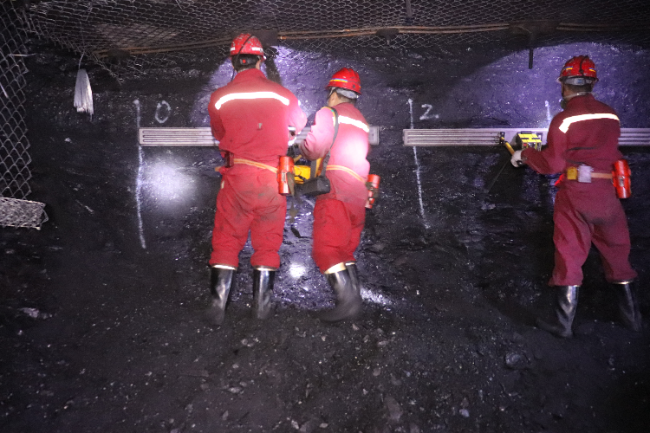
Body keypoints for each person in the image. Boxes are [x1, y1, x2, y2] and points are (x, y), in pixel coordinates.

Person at [511, 55, 642, 337]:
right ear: (592, 83)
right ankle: (633, 320)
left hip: (577, 195)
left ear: (564, 85)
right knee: (618, 252)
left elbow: (553, 164)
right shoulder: (611, 115)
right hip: (608, 195)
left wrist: (525, 154)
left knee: (569, 254)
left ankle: (563, 323)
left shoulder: (564, 120)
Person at [206, 33, 307, 325]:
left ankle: (217, 306)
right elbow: (299, 124)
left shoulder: (219, 97)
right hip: (272, 178)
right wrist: (279, 137)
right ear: (260, 61)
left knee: (227, 238)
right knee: (267, 241)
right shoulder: (282, 95)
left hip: (238, 177)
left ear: (233, 62)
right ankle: (261, 310)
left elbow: (219, 135)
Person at [299, 67, 371, 321]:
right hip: (358, 194)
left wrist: (301, 147)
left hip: (336, 191)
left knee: (326, 248)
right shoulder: (361, 121)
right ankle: (355, 301)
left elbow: (314, 149)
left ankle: (348, 303)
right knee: (344, 250)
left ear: (333, 93)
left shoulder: (328, 113)